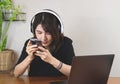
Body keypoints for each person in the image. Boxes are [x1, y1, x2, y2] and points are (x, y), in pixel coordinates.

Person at [14, 9, 75, 77]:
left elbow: (74, 73)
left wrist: (51, 60)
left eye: (48, 33)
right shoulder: (31, 43)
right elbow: (16, 73)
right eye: (39, 32)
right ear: (33, 31)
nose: (43, 38)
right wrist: (30, 57)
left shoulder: (66, 43)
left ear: (57, 31)